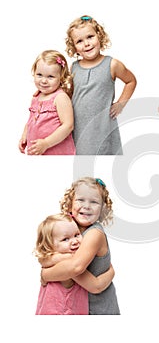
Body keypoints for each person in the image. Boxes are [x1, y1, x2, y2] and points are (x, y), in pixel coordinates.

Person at [41, 177, 120, 314]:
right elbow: (44, 255)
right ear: (70, 202)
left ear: (102, 210)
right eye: (80, 200)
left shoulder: (94, 233)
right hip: (74, 305)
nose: (87, 206)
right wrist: (56, 261)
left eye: (94, 202)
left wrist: (46, 274)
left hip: (98, 309)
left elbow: (76, 267)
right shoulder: (67, 227)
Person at [65, 15, 137, 155]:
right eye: (79, 41)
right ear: (74, 47)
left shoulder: (112, 64)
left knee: (104, 158)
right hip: (79, 126)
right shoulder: (74, 67)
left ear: (99, 35)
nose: (86, 43)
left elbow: (131, 81)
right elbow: (69, 94)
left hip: (103, 126)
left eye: (90, 37)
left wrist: (121, 103)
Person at [35, 213, 115, 315]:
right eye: (65, 239)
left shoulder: (52, 260)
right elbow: (96, 286)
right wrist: (111, 272)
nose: (75, 241)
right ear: (49, 246)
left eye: (77, 235)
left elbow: (43, 259)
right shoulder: (69, 266)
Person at [19, 50, 76, 155]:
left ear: (61, 78)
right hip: (38, 152)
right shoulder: (36, 97)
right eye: (39, 75)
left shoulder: (60, 98)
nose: (44, 81)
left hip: (57, 153)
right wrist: (25, 135)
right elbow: (30, 121)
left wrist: (46, 143)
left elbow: (68, 125)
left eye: (50, 77)